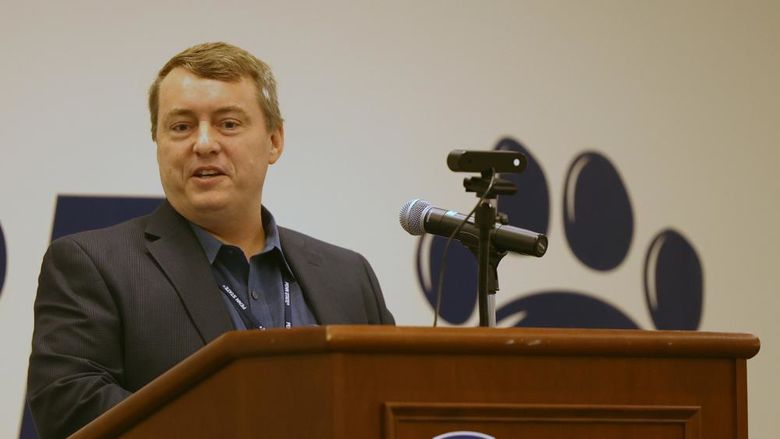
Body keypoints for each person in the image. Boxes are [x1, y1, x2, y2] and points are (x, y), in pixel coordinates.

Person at [27, 42, 394, 439]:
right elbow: (69, 405)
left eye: (228, 123)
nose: (204, 144)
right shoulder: (94, 264)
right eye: (181, 126)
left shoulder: (349, 275)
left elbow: (395, 402)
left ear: (274, 140)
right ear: (158, 142)